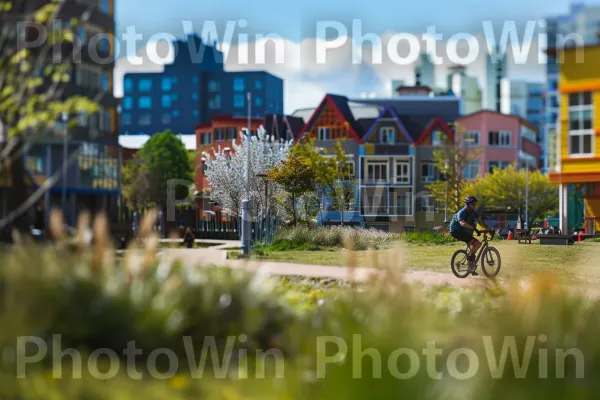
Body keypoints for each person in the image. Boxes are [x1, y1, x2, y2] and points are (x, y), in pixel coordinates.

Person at [449, 196, 490, 275]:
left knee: (473, 248)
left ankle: (471, 267)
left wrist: (488, 229)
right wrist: (473, 228)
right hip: (456, 231)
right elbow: (462, 223)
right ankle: (470, 260)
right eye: (473, 204)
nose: (474, 205)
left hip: (465, 232)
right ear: (468, 204)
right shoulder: (462, 212)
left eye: (475, 204)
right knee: (478, 244)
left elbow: (480, 222)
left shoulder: (475, 213)